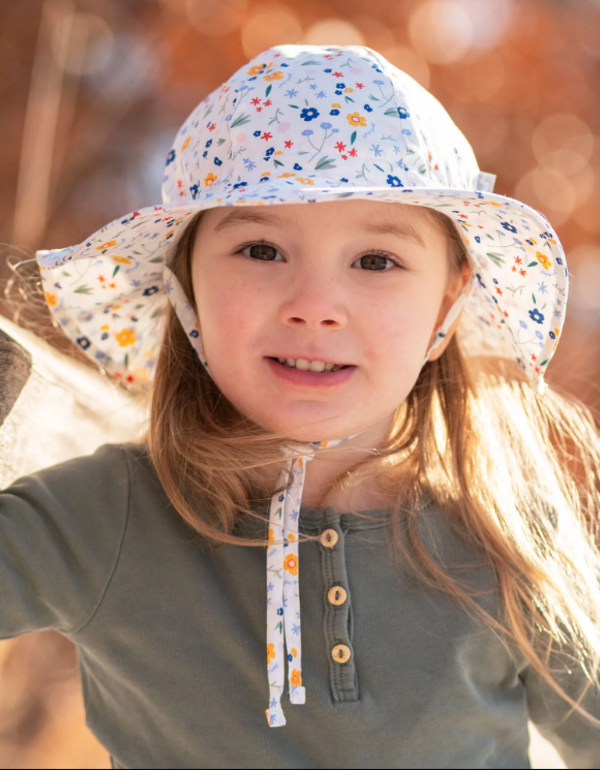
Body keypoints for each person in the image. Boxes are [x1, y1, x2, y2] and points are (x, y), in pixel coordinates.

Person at [2, 44, 600, 769]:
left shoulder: (502, 536)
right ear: (186, 287)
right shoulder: (109, 517)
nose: (315, 306)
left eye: (375, 261)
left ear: (446, 306)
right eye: (261, 250)